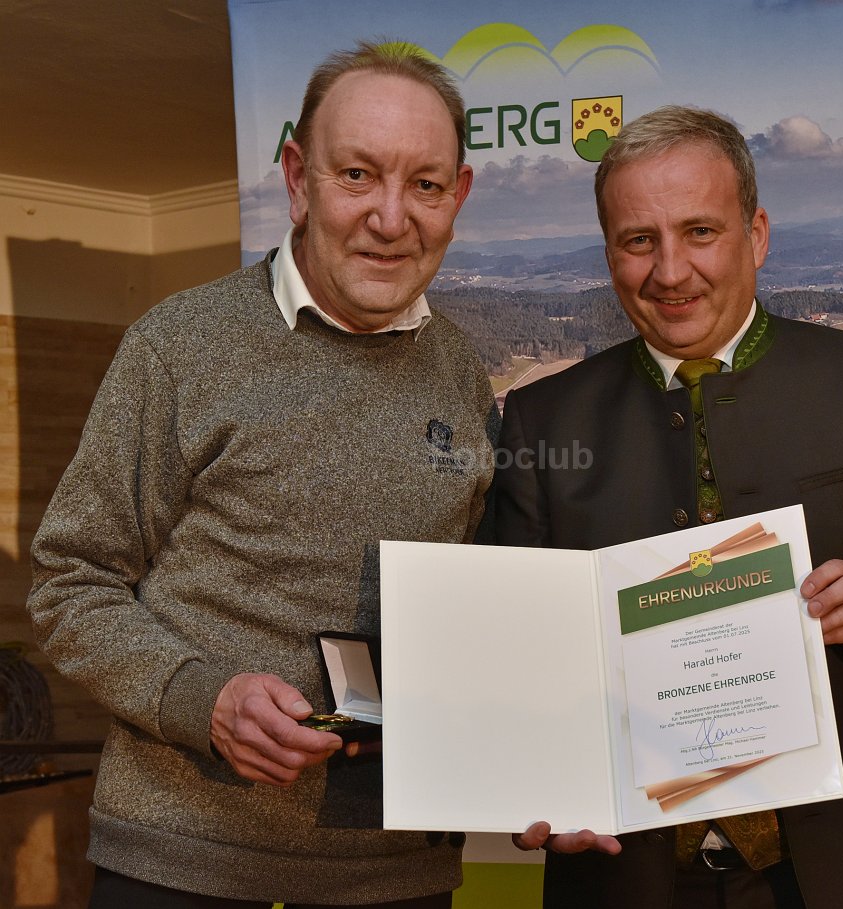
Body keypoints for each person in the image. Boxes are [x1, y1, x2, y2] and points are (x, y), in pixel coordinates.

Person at [495, 106, 843, 909]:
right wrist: (534, 778)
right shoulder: (543, 419)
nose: (671, 271)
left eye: (700, 231)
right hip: (628, 880)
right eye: (639, 240)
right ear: (609, 255)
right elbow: (520, 652)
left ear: (756, 234)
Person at [28, 42, 497, 909]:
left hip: (394, 873)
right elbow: (69, 582)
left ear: (457, 196)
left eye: (425, 185)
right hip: (180, 860)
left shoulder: (465, 375)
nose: (391, 217)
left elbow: (478, 613)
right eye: (357, 175)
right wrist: (204, 700)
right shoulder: (178, 347)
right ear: (297, 178)